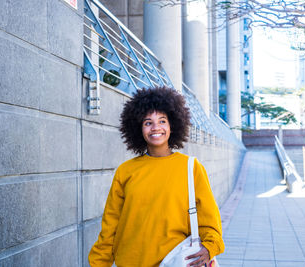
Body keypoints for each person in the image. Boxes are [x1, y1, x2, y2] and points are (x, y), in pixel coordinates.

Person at [88, 86, 224, 267]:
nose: (156, 128)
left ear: (172, 125)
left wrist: (209, 247)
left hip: (175, 262)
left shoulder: (191, 167)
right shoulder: (126, 171)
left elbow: (209, 218)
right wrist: (99, 263)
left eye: (162, 121)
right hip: (131, 262)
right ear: (139, 128)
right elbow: (110, 226)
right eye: (148, 122)